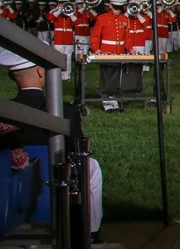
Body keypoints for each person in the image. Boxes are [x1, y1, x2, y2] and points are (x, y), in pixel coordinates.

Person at [0, 53, 104, 239]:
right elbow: (76, 150)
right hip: (54, 176)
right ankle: (91, 233)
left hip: (9, 183)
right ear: (41, 73)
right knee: (92, 167)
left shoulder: (4, 111)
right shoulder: (64, 109)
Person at [90, 0, 136, 111]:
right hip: (106, 50)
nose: (118, 11)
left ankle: (113, 98)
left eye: (120, 8)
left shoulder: (125, 20)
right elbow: (95, 36)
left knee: (116, 75)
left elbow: (127, 37)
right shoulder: (102, 18)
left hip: (119, 51)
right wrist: (96, 48)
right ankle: (107, 100)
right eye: (116, 8)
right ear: (110, 6)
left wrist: (130, 48)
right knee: (107, 76)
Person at [45, 0, 77, 80]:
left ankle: (67, 76)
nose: (64, 5)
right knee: (57, 58)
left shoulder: (71, 12)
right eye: (62, 4)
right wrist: (59, 10)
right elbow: (49, 18)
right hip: (58, 39)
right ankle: (58, 75)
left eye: (65, 4)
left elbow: (76, 22)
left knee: (68, 58)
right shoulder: (56, 13)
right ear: (59, 4)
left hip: (68, 39)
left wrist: (70, 13)